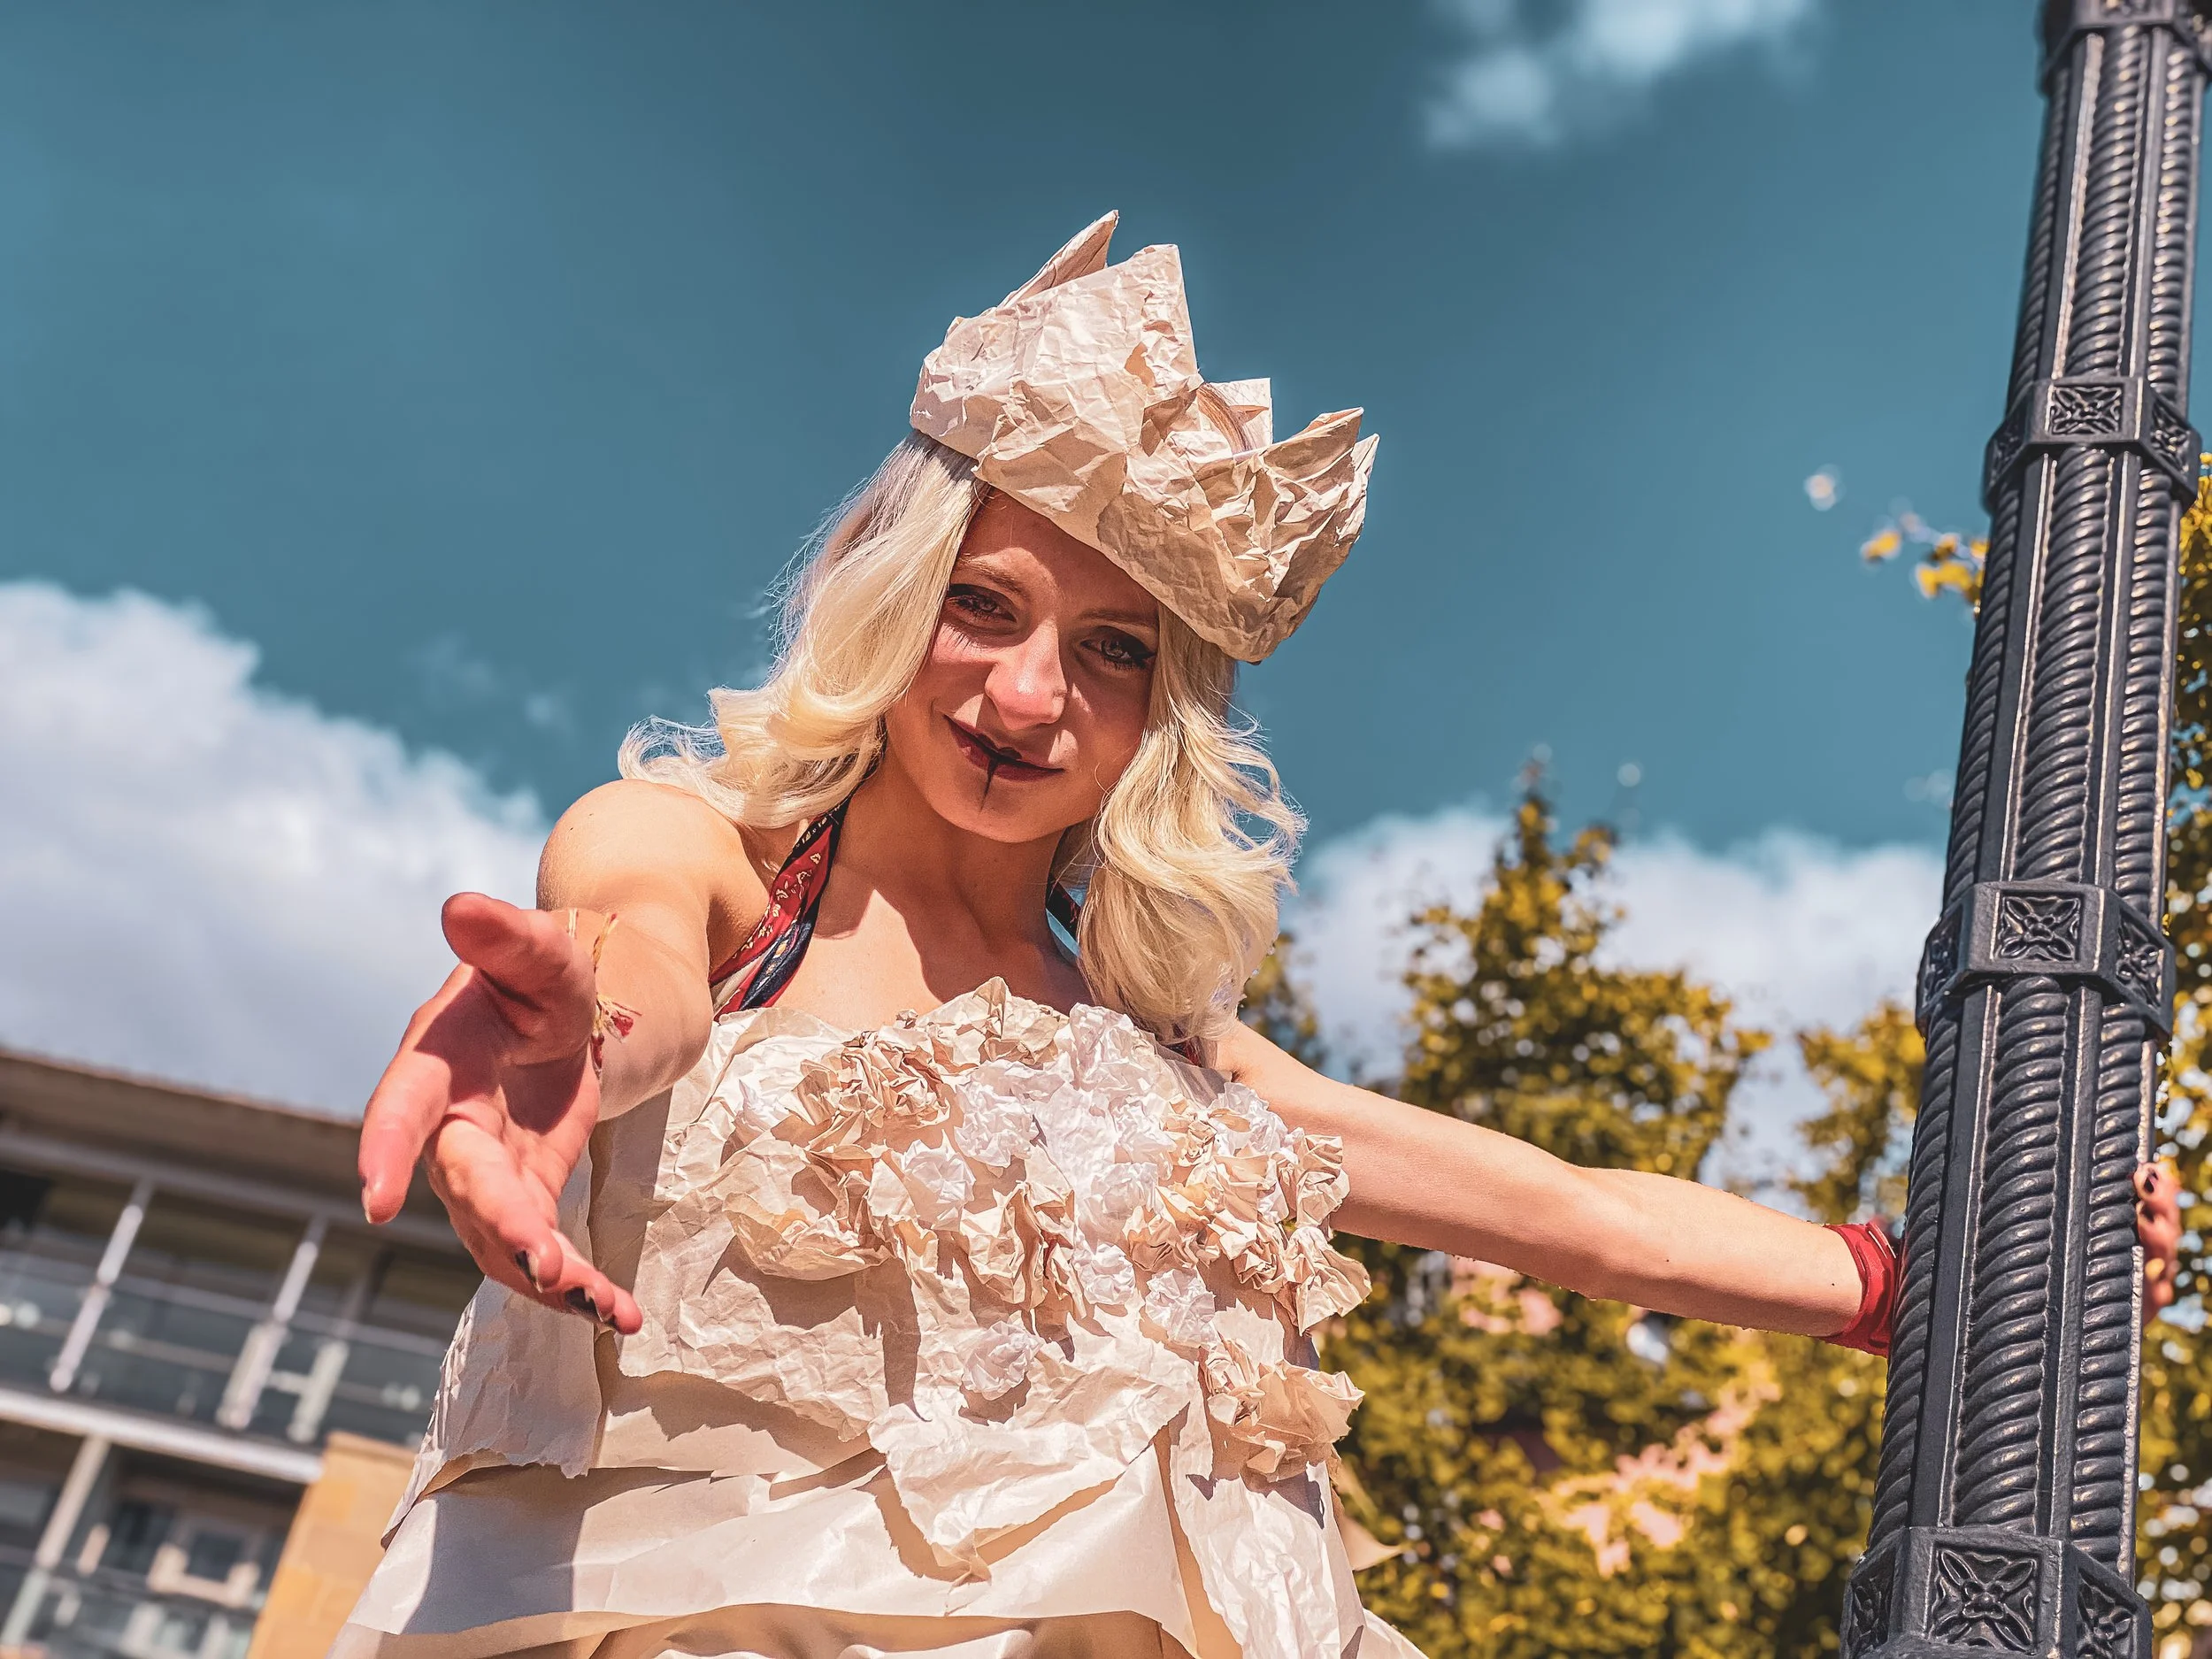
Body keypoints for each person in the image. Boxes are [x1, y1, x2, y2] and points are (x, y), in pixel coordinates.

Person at [337, 215, 2180, 1659]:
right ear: (891, 606)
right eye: (982, 606)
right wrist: (583, 1022)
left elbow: (1584, 1216)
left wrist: (1970, 1274)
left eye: (1115, 650)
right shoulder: (715, 864)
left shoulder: (1171, 1071)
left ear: (1161, 719)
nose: (1031, 690)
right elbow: (635, 956)